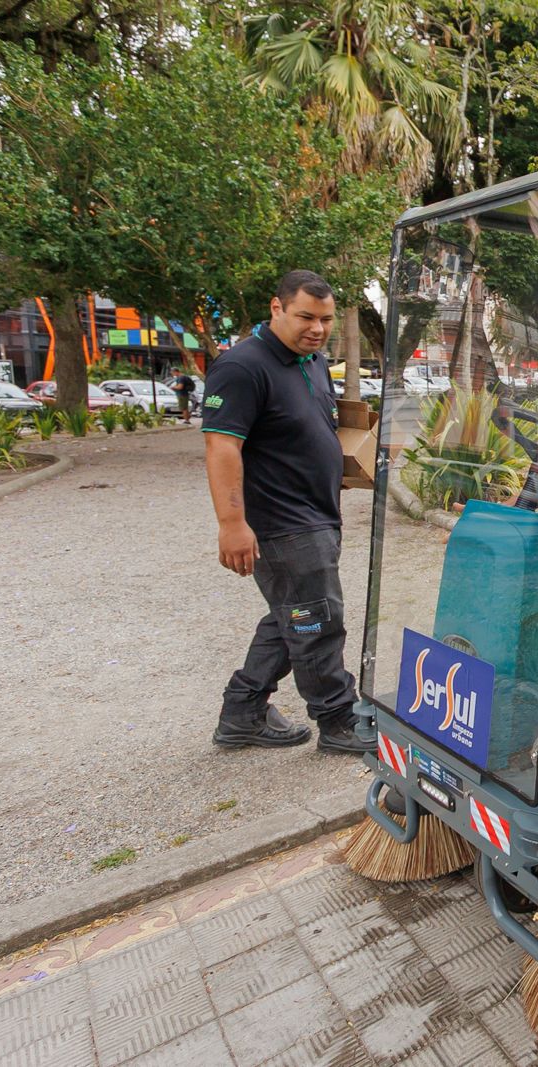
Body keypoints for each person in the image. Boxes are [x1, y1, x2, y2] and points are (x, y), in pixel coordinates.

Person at [202, 270, 371, 755]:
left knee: (291, 615)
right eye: (305, 317)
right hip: (283, 523)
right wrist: (232, 524)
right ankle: (338, 720)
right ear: (276, 308)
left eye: (326, 319)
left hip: (318, 513)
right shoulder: (242, 366)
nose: (317, 329)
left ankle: (242, 713)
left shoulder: (311, 361)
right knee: (317, 620)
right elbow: (221, 447)